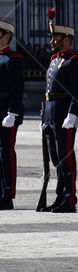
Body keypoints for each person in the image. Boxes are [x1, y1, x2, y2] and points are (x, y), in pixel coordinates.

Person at [42, 10, 78, 213]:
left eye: (56, 38)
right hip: (51, 114)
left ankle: (69, 199)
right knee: (56, 159)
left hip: (64, 114)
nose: (52, 42)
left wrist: (73, 113)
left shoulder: (74, 61)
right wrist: (45, 117)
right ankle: (61, 196)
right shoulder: (54, 60)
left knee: (66, 158)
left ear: (67, 40)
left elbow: (77, 91)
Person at [0, 19, 24, 210]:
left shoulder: (13, 59)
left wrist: (13, 112)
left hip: (6, 111)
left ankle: (7, 195)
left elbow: (17, 89)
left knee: (6, 153)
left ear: (6, 36)